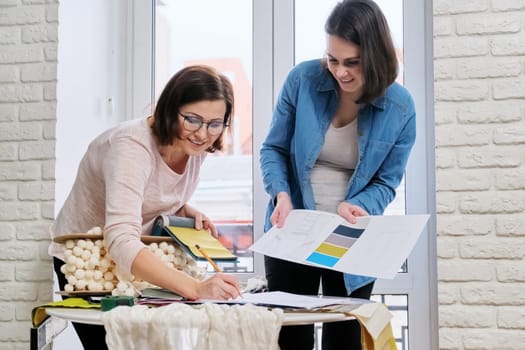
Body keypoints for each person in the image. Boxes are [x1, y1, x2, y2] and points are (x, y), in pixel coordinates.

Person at [49, 65, 241, 349]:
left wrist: (184, 209)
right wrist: (196, 288)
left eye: (215, 124)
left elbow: (150, 189)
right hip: (87, 261)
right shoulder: (131, 146)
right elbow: (121, 238)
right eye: (192, 119)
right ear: (169, 109)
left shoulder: (194, 148)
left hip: (130, 260)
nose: (203, 134)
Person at [260, 0, 416, 349]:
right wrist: (281, 194)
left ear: (375, 56)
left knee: (345, 337)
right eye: (333, 60)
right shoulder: (302, 80)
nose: (340, 72)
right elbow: (274, 149)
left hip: (351, 235)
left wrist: (358, 204)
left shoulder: (401, 106)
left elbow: (386, 181)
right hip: (294, 225)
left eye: (352, 63)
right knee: (291, 336)